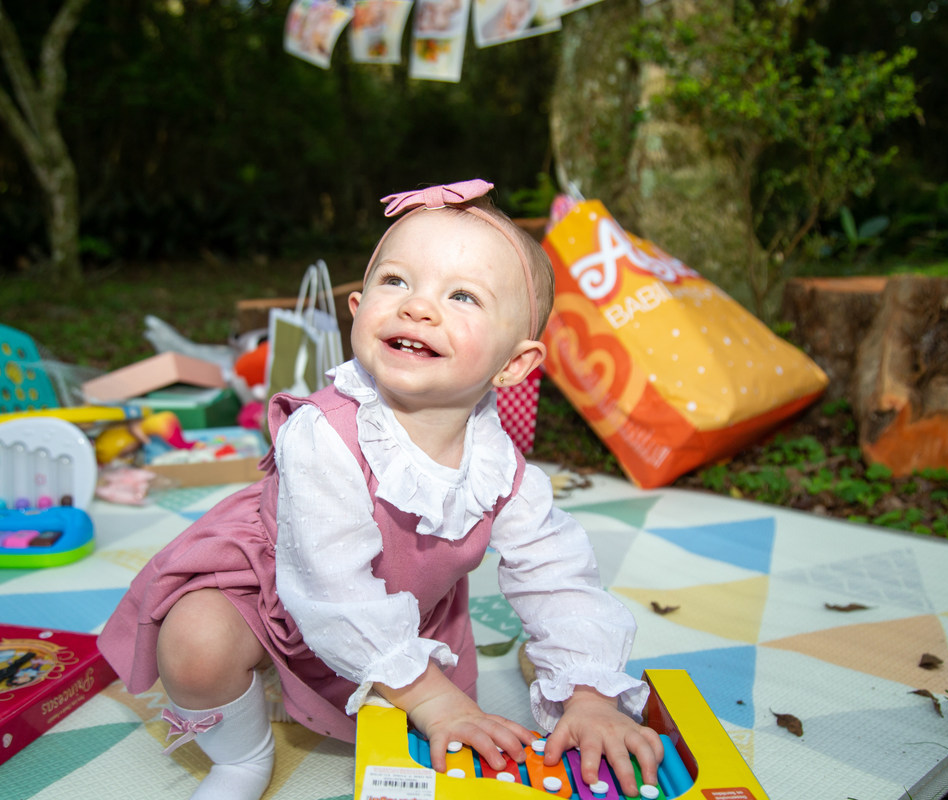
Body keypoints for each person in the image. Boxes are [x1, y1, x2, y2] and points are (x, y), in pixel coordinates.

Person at [97, 179, 664, 800]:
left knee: (439, 739)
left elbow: (560, 579)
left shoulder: (502, 471)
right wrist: (430, 698)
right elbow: (331, 587)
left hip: (399, 616)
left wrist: (588, 694)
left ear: (515, 364)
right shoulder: (322, 434)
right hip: (274, 585)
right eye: (396, 282)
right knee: (197, 645)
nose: (418, 307)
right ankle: (240, 756)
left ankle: (367, 684)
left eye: (463, 296)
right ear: (358, 308)